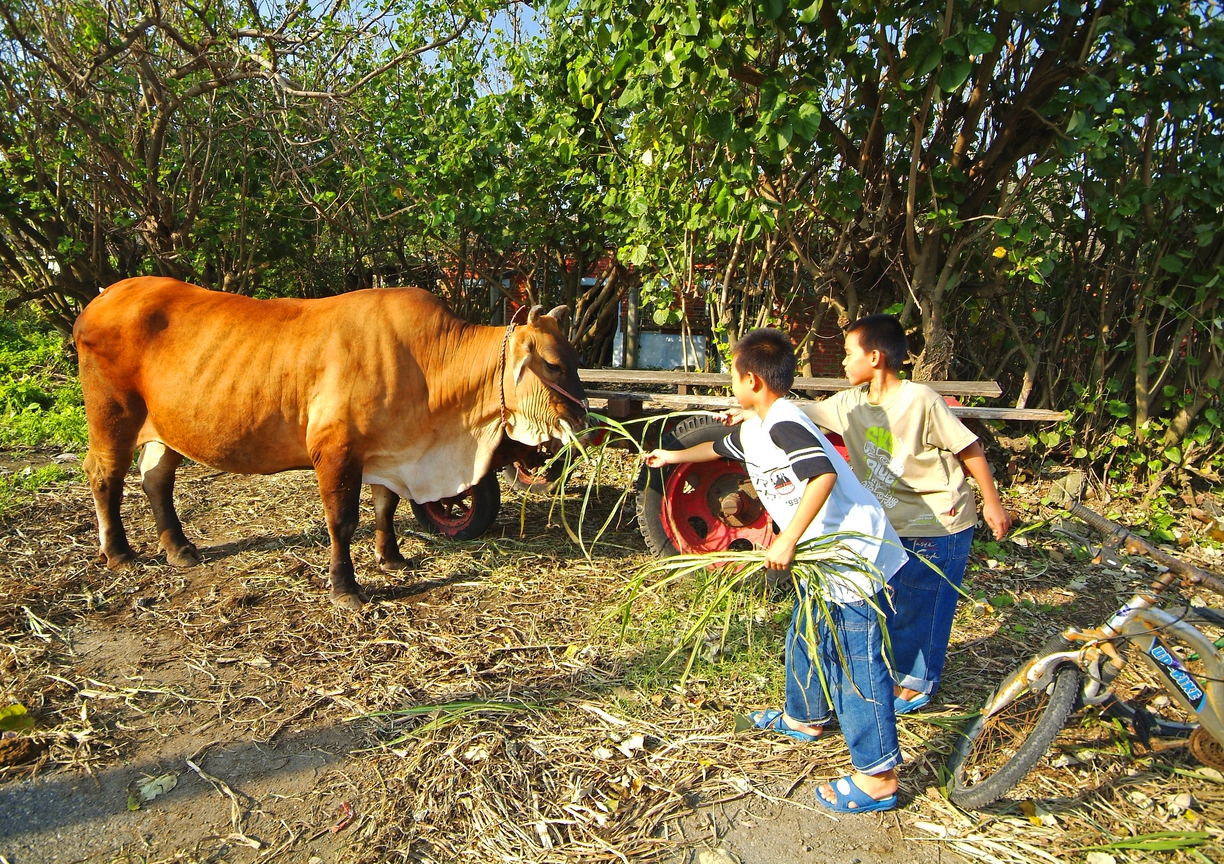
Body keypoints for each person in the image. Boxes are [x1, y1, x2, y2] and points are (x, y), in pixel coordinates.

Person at [644, 328, 909, 814]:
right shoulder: (756, 424)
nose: (731, 384)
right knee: (807, 633)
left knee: (856, 659)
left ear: (752, 380)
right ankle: (805, 716)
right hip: (819, 555)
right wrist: (674, 456)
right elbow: (722, 448)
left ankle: (879, 777)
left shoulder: (785, 421)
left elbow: (822, 474)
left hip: (849, 553)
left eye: (732, 376)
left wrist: (786, 537)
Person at [805, 314, 1012, 715]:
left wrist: (992, 501)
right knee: (893, 603)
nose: (843, 363)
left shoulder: (920, 400)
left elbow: (969, 449)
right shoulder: (849, 404)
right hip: (891, 525)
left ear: (876, 357)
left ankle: (916, 683)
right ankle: (895, 671)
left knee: (924, 606)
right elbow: (803, 414)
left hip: (939, 523)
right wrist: (752, 415)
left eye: (849, 354)